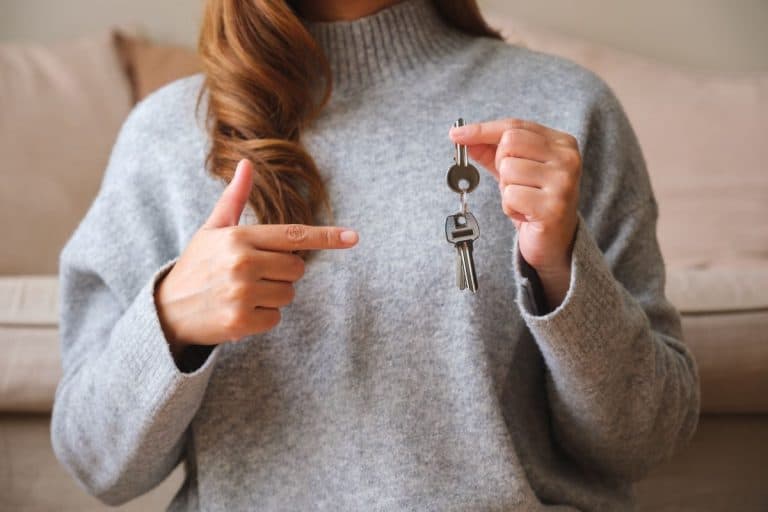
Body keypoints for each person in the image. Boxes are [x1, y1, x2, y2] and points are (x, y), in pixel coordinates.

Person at [50, 0, 700, 510]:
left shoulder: (565, 113)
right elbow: (95, 466)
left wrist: (561, 272)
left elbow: (644, 441)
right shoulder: (164, 138)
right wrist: (169, 323)